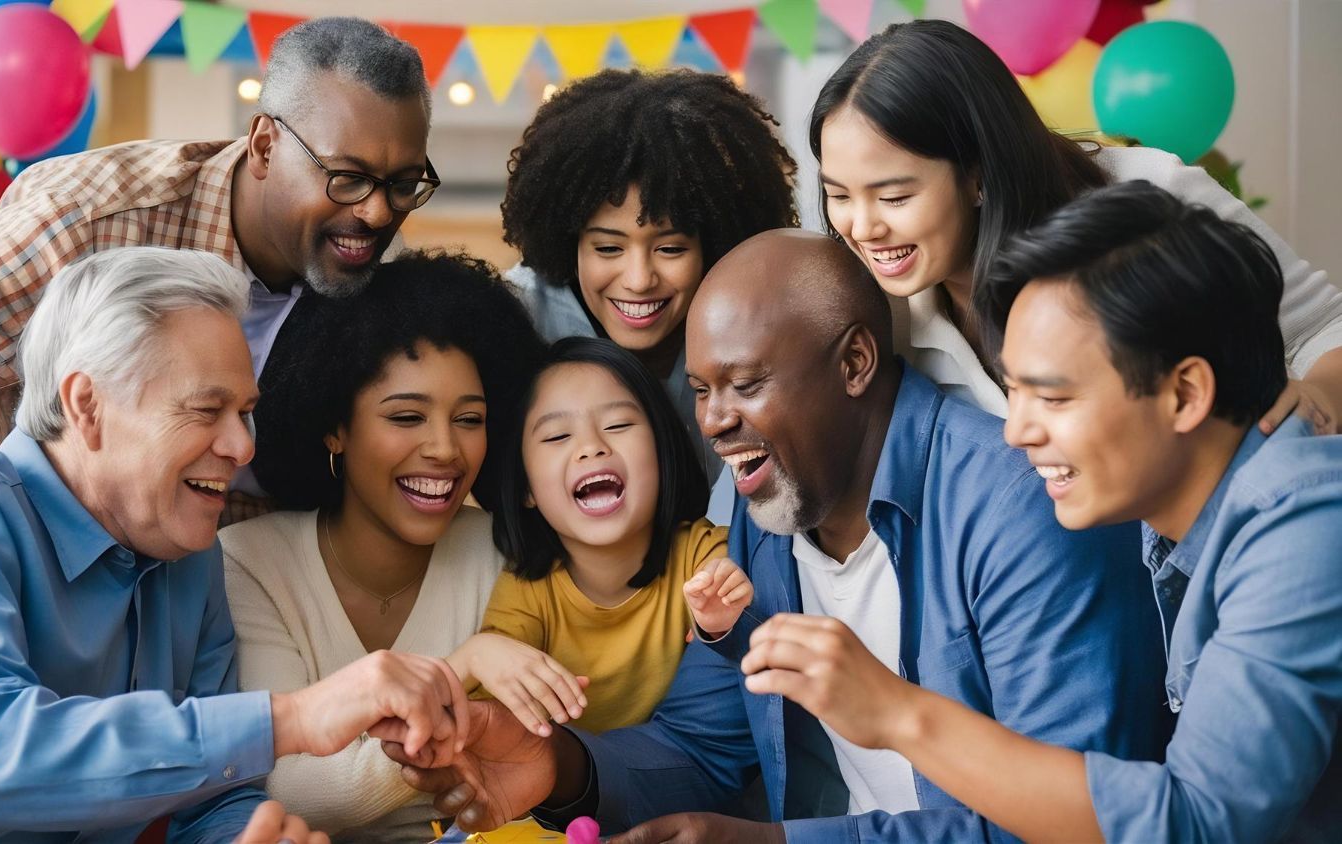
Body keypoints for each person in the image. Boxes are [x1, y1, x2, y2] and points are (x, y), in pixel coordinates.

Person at [380, 230, 1171, 843]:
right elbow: (703, 744)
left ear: (856, 360)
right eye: (701, 392)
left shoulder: (1020, 512)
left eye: (746, 385)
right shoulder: (767, 519)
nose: (716, 421)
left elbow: (1072, 821)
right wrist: (556, 766)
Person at [745, 182, 1342, 844]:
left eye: (1054, 400)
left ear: (1186, 393)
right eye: (1015, 392)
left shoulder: (1303, 523)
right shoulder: (1183, 511)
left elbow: (1196, 823)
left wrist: (897, 713)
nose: (1016, 432)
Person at [0, 248, 468, 842]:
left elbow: (215, 800)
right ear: (87, 406)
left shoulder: (190, 558)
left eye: (245, 411)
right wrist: (293, 718)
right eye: (206, 410)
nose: (242, 447)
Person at [0, 17, 441, 536]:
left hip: (229, 614)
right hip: (49, 587)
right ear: (264, 144)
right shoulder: (90, 220)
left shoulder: (374, 268)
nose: (378, 212)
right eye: (347, 176)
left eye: (403, 184)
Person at [809, 19, 1342, 433]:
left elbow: (1324, 327)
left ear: (980, 176)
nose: (863, 227)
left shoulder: (1149, 197)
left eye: (895, 196)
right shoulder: (880, 315)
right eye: (838, 195)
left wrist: (1320, 396)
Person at [219, 252, 544, 842]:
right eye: (407, 416)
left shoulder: (506, 552)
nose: (445, 449)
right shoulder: (249, 562)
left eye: (469, 419)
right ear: (334, 427)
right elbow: (288, 792)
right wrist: (459, 672)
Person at [501, 69, 799, 484]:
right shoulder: (514, 318)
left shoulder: (754, 322)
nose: (639, 279)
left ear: (713, 247)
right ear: (568, 243)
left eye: (671, 248)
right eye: (608, 248)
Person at [449, 337, 750, 735]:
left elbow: (732, 590)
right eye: (557, 437)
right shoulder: (529, 591)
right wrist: (473, 657)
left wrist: (720, 615)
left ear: (663, 452)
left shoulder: (701, 551)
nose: (591, 447)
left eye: (618, 425)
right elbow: (468, 699)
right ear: (526, 488)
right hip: (565, 788)